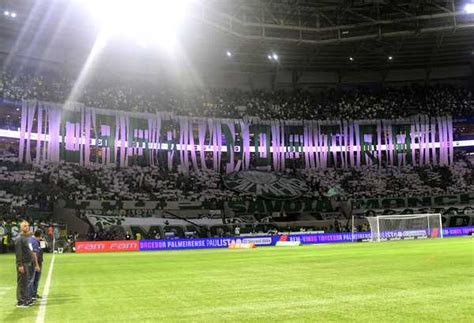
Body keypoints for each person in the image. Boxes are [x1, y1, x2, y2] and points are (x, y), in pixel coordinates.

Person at [15, 221, 39, 308]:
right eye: (25, 226)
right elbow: (18, 253)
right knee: (22, 282)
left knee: (26, 282)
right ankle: (20, 301)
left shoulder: (27, 238)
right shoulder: (19, 238)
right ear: (21, 228)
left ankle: (26, 299)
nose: (27, 227)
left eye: (28, 226)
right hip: (23, 263)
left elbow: (30, 249)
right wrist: (20, 265)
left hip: (28, 262)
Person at [28, 230, 44, 301]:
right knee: (32, 279)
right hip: (35, 262)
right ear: (39, 235)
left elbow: (45, 249)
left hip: (38, 261)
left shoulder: (38, 241)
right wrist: (36, 265)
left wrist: (42, 241)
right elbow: (34, 254)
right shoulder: (33, 241)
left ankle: (34, 294)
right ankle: (30, 296)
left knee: (36, 279)